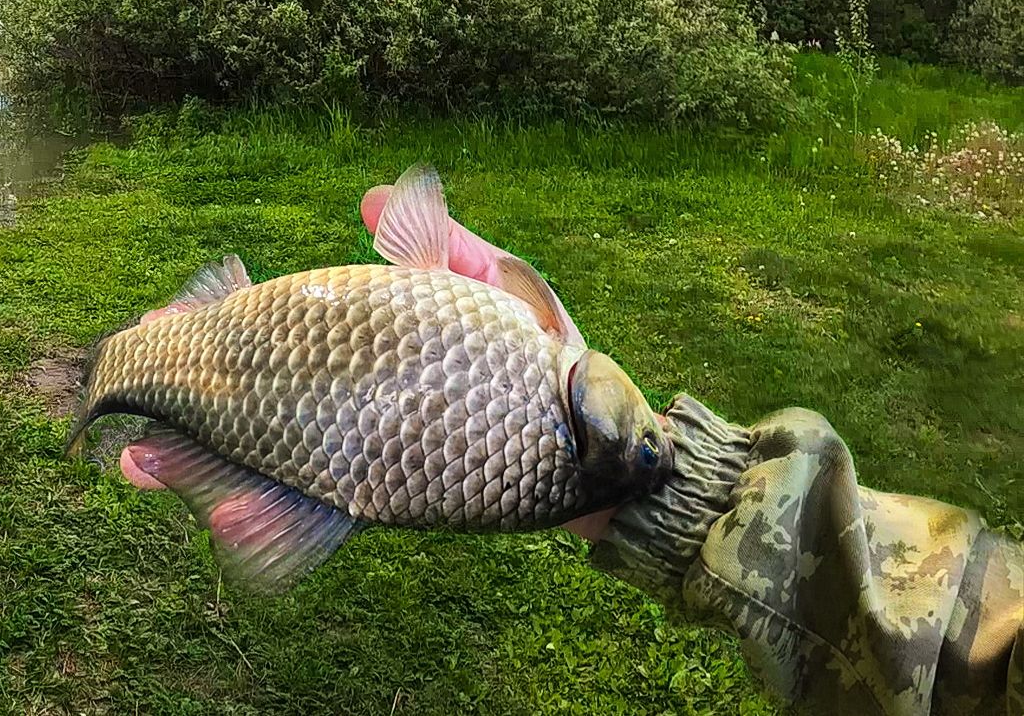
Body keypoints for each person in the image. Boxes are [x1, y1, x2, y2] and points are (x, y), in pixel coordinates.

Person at [115, 183, 1024, 716]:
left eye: (641, 445)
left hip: (285, 412)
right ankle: (136, 372)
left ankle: (124, 372)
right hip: (295, 415)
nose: (653, 434)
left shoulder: (544, 356)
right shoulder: (547, 359)